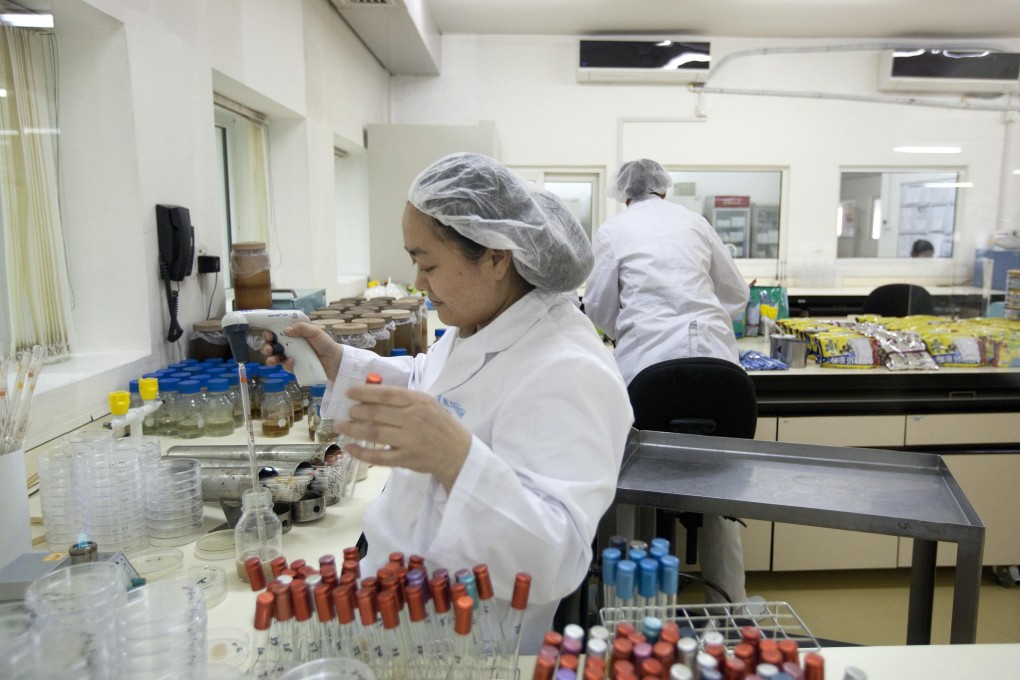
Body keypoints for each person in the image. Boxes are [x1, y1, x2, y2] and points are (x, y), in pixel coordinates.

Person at [262, 152, 633, 654]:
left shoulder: (569, 370)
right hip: (398, 593)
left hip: (466, 636)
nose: (418, 281)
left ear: (498, 258)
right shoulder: (479, 324)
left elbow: (555, 555)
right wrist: (337, 364)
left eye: (428, 262)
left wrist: (458, 459)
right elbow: (434, 385)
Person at [583, 158, 750, 604]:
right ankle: (728, 606)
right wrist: (699, 316)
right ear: (664, 189)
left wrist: (636, 329)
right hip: (722, 378)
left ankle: (635, 608)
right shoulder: (694, 222)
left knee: (635, 486)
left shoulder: (614, 231)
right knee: (721, 492)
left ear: (624, 194)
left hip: (649, 377)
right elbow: (736, 294)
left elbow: (597, 308)